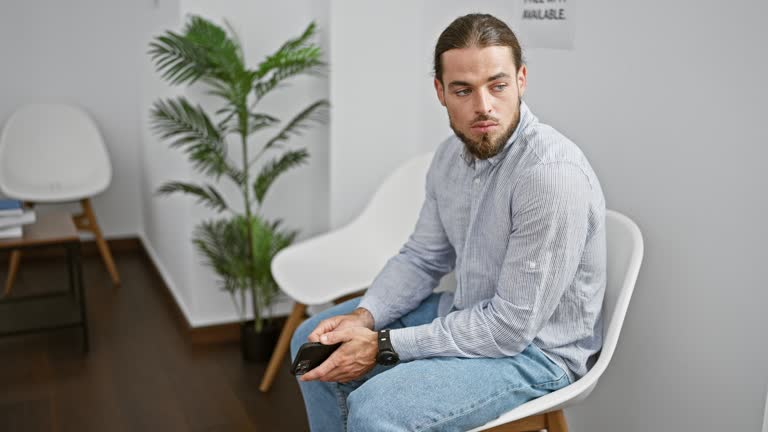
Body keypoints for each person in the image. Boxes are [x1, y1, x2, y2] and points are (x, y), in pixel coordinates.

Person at [290, 13, 606, 432]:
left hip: (535, 352)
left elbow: (510, 330)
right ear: (440, 91)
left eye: (498, 85)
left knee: (377, 407)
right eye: (463, 90)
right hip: (467, 308)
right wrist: (366, 317)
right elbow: (422, 258)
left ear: (521, 80)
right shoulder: (448, 159)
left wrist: (382, 345)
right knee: (314, 340)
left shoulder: (549, 174)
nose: (483, 107)